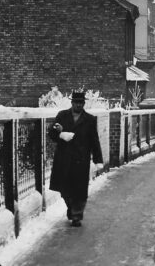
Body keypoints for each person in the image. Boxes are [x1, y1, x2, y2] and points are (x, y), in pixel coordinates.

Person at [48, 91, 104, 227]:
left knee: (79, 189)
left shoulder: (89, 119)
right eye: (76, 102)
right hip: (64, 159)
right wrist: (60, 134)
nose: (78, 105)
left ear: (84, 104)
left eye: (81, 102)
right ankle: (71, 208)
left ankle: (76, 215)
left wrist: (98, 160)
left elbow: (94, 140)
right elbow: (51, 133)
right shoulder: (62, 116)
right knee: (65, 189)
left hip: (81, 159)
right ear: (72, 102)